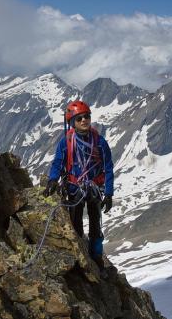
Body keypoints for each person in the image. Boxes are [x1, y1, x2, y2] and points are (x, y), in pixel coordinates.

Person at [44, 100, 115, 274]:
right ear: (72, 122)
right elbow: (58, 162)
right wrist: (52, 180)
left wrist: (108, 194)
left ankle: (96, 258)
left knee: (95, 227)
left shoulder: (99, 142)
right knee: (76, 225)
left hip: (94, 189)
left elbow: (108, 168)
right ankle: (79, 255)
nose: (84, 120)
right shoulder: (66, 142)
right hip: (74, 188)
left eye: (87, 116)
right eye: (79, 118)